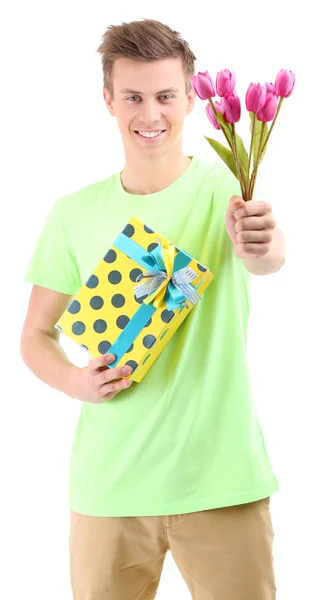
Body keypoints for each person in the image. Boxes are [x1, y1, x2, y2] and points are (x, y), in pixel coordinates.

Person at [20, 18, 285, 600]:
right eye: (134, 97)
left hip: (222, 482)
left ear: (192, 101)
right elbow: (35, 334)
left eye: (166, 96)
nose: (151, 114)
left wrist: (263, 244)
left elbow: (268, 258)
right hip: (109, 486)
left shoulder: (229, 190)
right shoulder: (72, 213)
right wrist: (73, 381)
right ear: (108, 101)